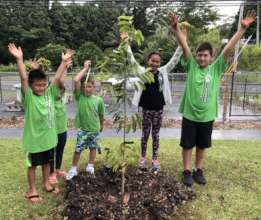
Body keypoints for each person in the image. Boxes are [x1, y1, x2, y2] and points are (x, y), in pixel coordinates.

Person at [170, 10, 256, 186]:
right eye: (199, 55)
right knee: (187, 145)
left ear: (211, 57)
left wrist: (241, 30)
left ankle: (198, 170)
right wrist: (176, 28)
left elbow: (229, 48)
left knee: (202, 145)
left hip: (207, 116)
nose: (201, 58)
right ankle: (186, 171)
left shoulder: (216, 68)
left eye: (205, 55)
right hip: (189, 114)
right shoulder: (192, 66)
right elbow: (184, 46)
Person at [8, 43, 73, 202]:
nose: (41, 87)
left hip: (48, 140)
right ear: (31, 86)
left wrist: (64, 63)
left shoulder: (49, 94)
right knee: (32, 166)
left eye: (44, 85)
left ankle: (46, 184)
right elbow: (23, 78)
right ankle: (32, 190)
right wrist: (20, 59)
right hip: (34, 141)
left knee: (46, 164)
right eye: (37, 85)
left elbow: (57, 79)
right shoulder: (29, 98)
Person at [121, 21, 186, 171]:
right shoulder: (142, 71)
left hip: (158, 110)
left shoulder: (163, 71)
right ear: (148, 61)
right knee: (145, 135)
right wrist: (126, 44)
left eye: (157, 61)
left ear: (160, 62)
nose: (155, 63)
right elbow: (131, 60)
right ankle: (143, 158)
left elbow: (175, 59)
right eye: (152, 61)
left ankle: (155, 159)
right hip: (146, 110)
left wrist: (182, 42)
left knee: (156, 135)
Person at [66, 60, 105, 180]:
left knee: (93, 148)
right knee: (78, 149)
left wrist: (101, 125)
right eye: (84, 87)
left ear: (94, 87)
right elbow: (76, 80)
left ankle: (90, 165)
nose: (86, 89)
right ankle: (73, 168)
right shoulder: (80, 97)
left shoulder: (98, 100)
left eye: (89, 86)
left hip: (94, 129)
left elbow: (101, 114)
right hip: (83, 130)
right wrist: (85, 68)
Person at [49, 73, 68, 184]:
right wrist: (64, 64)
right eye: (58, 92)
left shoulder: (61, 100)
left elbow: (61, 81)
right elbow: (56, 80)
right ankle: (51, 173)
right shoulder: (50, 100)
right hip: (52, 132)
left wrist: (66, 68)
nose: (60, 94)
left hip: (62, 131)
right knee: (52, 153)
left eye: (62, 92)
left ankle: (57, 170)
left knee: (60, 151)